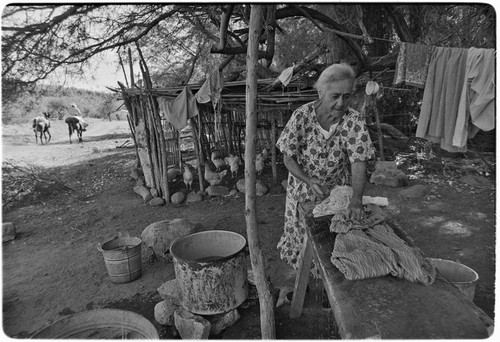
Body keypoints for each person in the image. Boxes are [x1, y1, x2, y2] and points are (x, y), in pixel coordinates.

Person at [276, 63, 375, 272]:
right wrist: (309, 180)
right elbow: (288, 158)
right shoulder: (302, 117)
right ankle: (305, 281)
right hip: (302, 191)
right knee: (303, 241)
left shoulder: (354, 121)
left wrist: (356, 200)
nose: (341, 103)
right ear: (321, 92)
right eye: (335, 96)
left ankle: (327, 283)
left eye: (346, 96)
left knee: (331, 242)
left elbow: (359, 162)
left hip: (336, 192)